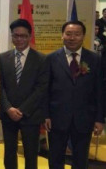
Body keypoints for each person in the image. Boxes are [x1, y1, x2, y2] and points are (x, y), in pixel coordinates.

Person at [44, 20, 104, 169]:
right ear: (62, 36)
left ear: (83, 36)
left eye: (77, 34)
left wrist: (99, 119)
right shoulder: (51, 59)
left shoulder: (94, 59)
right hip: (57, 118)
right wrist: (45, 115)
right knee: (55, 158)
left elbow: (100, 90)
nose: (72, 38)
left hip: (84, 118)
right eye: (68, 34)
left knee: (81, 159)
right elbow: (45, 90)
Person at [0, 19, 48, 169]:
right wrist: (8, 108)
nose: (19, 39)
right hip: (8, 114)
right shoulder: (3, 58)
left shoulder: (41, 59)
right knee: (9, 153)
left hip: (31, 115)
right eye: (16, 36)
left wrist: (22, 110)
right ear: (12, 36)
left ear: (30, 37)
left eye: (23, 36)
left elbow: (41, 88)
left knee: (31, 154)